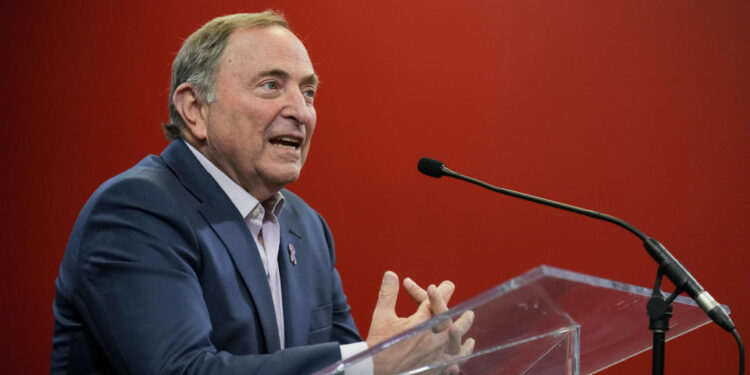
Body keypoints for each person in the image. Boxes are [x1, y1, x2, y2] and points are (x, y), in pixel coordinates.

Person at [50, 11, 473, 375]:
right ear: (195, 109)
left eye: (308, 92)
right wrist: (374, 360)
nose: (300, 111)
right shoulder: (136, 211)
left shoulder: (307, 227)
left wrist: (413, 361)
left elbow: (346, 365)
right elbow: (183, 370)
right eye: (272, 85)